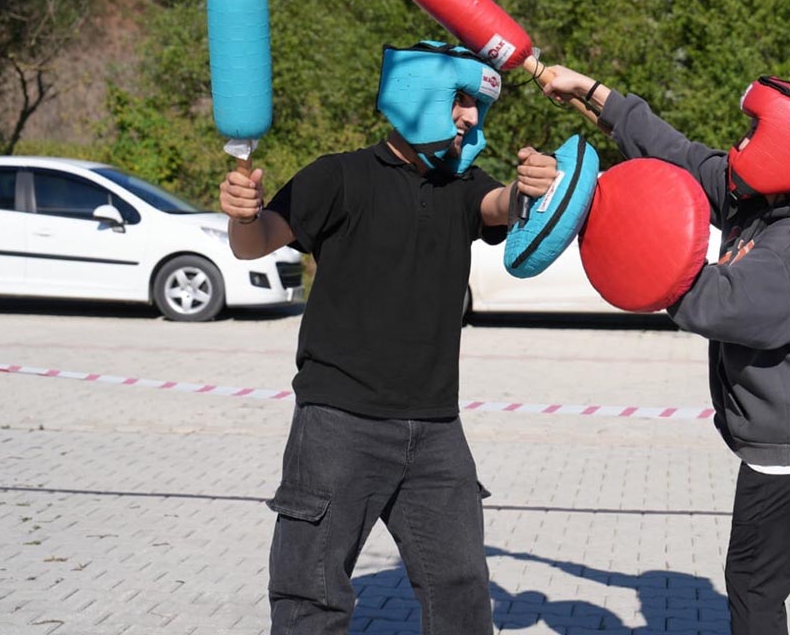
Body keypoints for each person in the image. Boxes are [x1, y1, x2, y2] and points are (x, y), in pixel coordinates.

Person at [540, 66, 790, 635]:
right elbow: (677, 153)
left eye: (755, 134)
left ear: (789, 150)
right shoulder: (761, 201)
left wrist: (601, 217)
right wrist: (591, 92)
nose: (740, 145)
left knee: (754, 585)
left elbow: (713, 303)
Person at [218, 41, 557, 635]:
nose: (472, 118)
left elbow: (500, 204)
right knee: (311, 598)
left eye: (478, 106)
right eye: (461, 101)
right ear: (415, 93)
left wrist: (531, 187)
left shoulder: (464, 185)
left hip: (436, 430)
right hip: (338, 425)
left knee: (462, 596)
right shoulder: (338, 176)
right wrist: (243, 214)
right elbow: (256, 241)